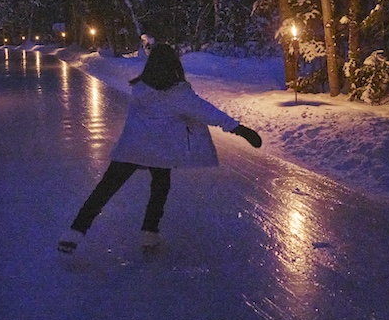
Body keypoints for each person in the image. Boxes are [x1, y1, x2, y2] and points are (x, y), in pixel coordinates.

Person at [58, 42, 262, 254]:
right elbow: (209, 112)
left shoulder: (140, 88)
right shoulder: (179, 94)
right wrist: (240, 129)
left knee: (106, 188)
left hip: (132, 148)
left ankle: (74, 232)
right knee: (160, 186)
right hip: (160, 152)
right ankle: (149, 232)